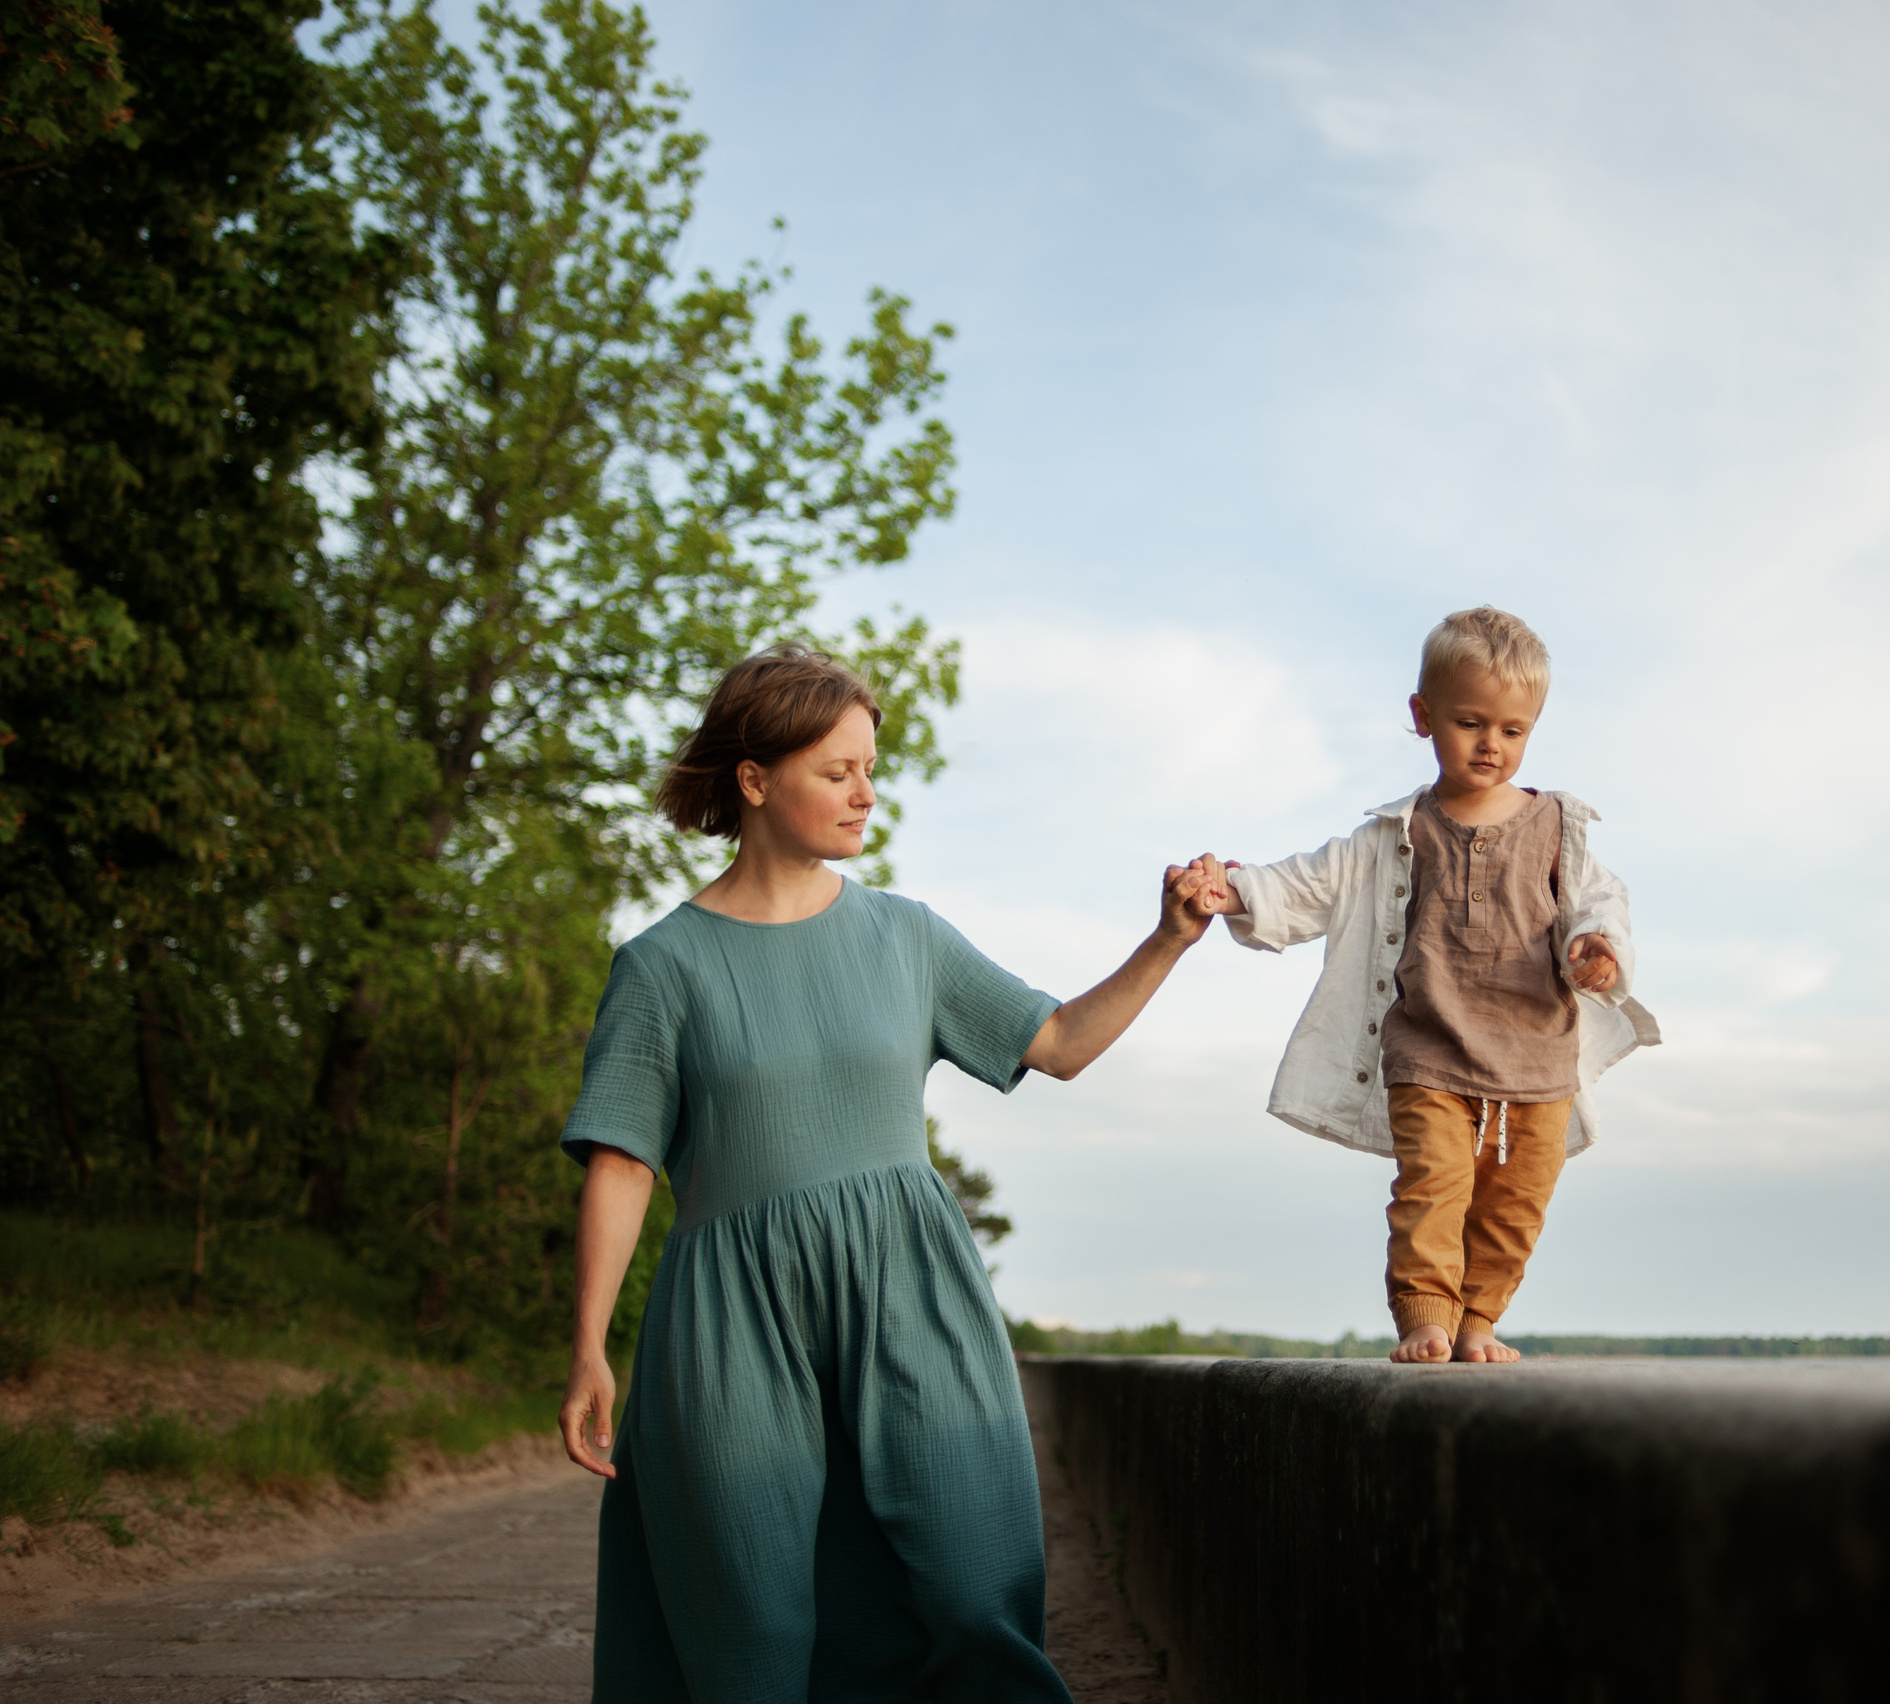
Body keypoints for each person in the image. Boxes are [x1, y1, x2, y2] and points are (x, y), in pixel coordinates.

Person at [555, 642, 1217, 1702]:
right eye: (838, 771)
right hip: (735, 1317)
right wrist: (590, 1345)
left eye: (870, 768)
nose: (867, 793)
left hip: (912, 1293)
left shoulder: (906, 937)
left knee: (975, 1582)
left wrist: (1168, 940)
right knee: (751, 1624)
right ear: (755, 780)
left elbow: (1057, 1043)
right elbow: (623, 1160)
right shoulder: (662, 967)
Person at [1185, 607, 1660, 1365]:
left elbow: (1600, 899)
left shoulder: (1556, 828)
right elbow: (1312, 882)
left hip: (1538, 1059)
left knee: (1516, 1204)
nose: (1491, 744)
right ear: (1423, 715)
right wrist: (1235, 888)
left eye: (1512, 730)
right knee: (1433, 1186)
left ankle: (1479, 1321)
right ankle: (1426, 1316)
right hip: (1428, 1052)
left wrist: (1598, 943)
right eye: (1470, 723)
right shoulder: (1397, 835)